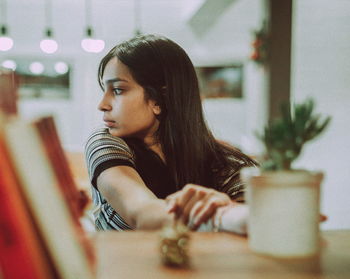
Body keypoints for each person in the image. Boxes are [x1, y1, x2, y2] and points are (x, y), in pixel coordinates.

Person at [84, 34, 257, 232]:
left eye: (117, 90)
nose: (102, 105)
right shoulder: (105, 142)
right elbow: (141, 212)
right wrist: (221, 214)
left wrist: (234, 210)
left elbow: (258, 223)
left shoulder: (224, 163)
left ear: (158, 99)